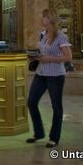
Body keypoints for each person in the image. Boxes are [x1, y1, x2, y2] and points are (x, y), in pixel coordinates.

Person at [26, 8, 72, 147]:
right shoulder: (42, 34)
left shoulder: (61, 37)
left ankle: (54, 137)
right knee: (32, 102)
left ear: (50, 19)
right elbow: (42, 51)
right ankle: (39, 132)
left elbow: (68, 57)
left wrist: (48, 58)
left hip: (55, 76)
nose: (41, 19)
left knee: (56, 107)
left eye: (44, 17)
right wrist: (35, 55)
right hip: (41, 73)